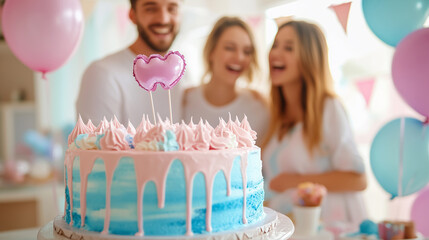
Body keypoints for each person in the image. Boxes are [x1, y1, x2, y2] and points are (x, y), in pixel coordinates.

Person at [262, 20, 367, 228]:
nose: (276, 53)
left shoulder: (328, 108)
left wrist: (293, 182)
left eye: (289, 48)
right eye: (275, 45)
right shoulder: (276, 118)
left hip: (330, 227)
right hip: (294, 228)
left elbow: (358, 180)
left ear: (309, 58)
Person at [76, 0, 183, 126]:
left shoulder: (183, 74)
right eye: (151, 9)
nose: (163, 19)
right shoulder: (102, 74)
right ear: (132, 15)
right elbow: (94, 143)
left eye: (172, 8)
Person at [183, 16, 269, 144]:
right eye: (230, 48)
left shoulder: (259, 107)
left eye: (247, 51)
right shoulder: (185, 99)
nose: (239, 57)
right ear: (211, 51)